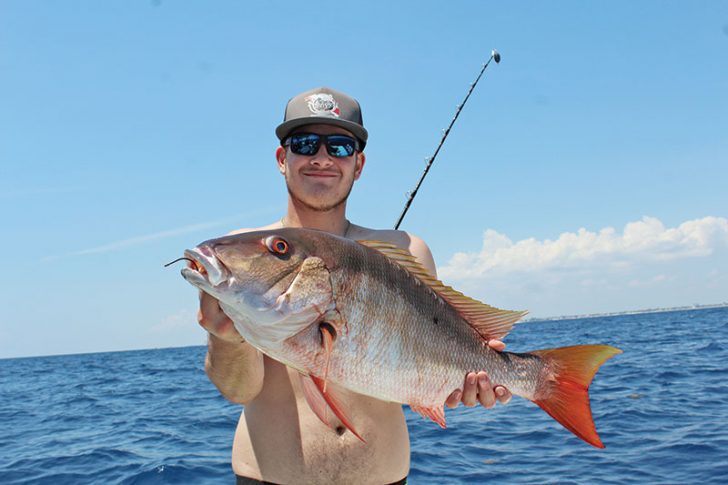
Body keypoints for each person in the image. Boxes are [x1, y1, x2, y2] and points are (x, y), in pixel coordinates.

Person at [197, 87, 511, 484]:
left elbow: (422, 372)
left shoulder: (406, 250)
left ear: (358, 165)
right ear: (282, 159)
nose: (322, 158)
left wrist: (463, 384)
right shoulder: (245, 252)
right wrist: (225, 338)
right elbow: (239, 390)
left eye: (341, 146)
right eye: (305, 144)